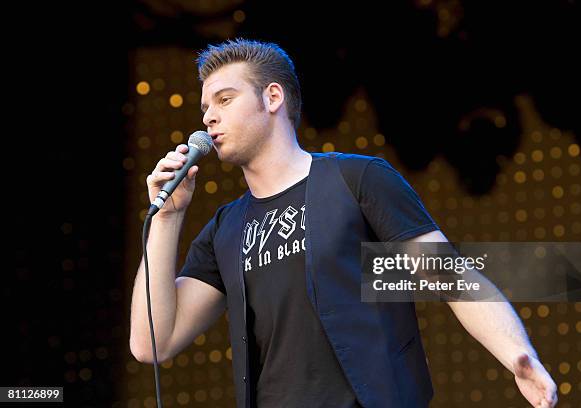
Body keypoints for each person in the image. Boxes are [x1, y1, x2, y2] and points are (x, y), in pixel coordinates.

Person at [129, 38, 558, 408]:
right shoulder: (226, 229)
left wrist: (518, 354)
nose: (208, 117)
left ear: (272, 97)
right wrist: (168, 217)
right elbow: (152, 343)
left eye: (224, 99)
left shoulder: (357, 179)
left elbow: (449, 275)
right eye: (205, 107)